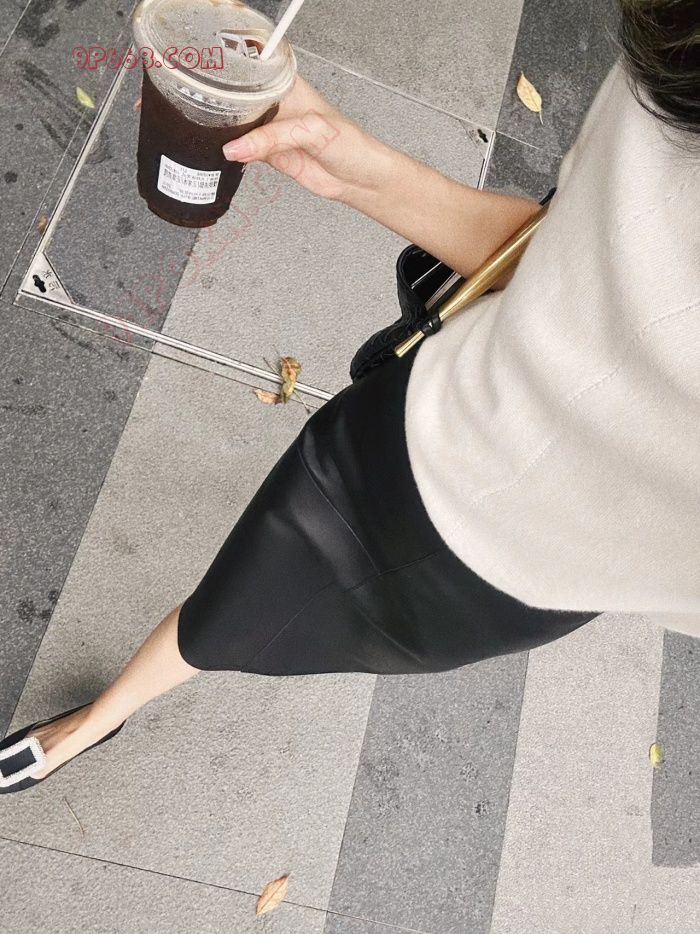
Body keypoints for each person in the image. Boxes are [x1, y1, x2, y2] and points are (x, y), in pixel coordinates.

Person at [1, 0, 698, 793]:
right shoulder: (681, 46)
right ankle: (101, 717)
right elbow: (567, 260)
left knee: (245, 622)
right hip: (416, 424)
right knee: (231, 600)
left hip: (518, 575)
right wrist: (359, 168)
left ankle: (95, 722)